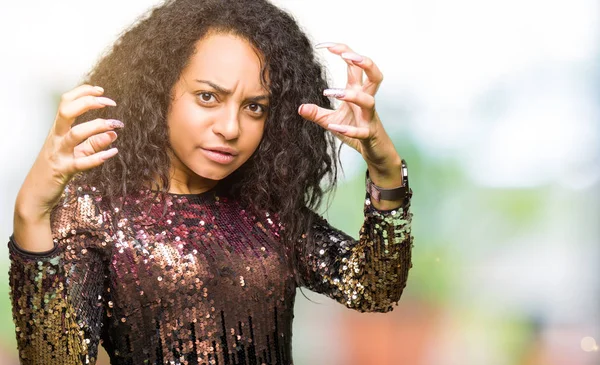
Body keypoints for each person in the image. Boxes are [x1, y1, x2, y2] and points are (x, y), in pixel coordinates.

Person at [8, 0, 414, 363]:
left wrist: (384, 166)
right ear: (158, 91)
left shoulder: (268, 214)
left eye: (255, 107)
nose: (230, 127)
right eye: (208, 97)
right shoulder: (93, 215)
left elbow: (373, 288)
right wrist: (30, 212)